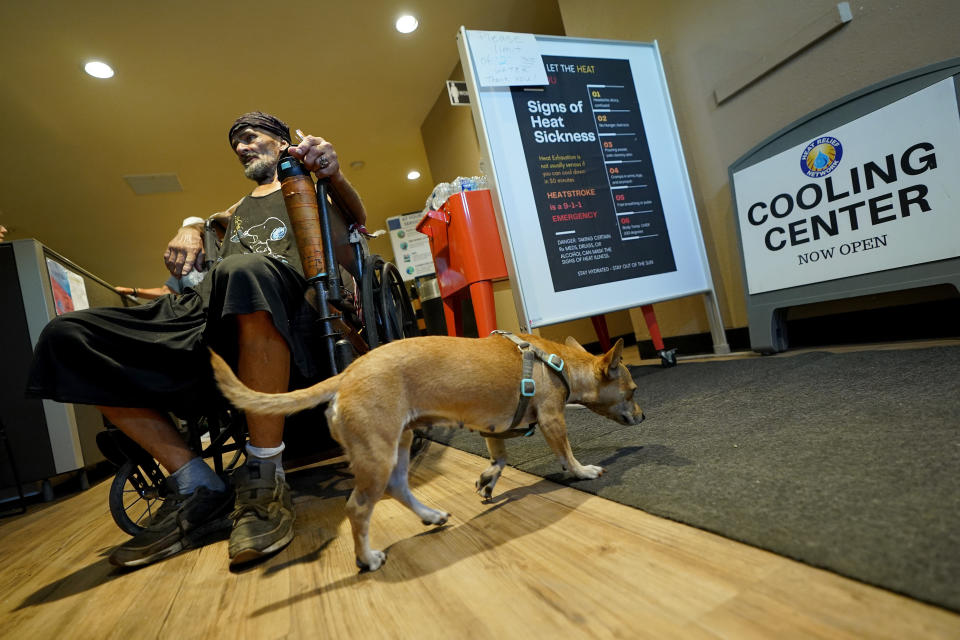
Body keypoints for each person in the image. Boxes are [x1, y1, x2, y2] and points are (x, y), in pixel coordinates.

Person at [26, 111, 367, 569]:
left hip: (283, 306)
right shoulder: (230, 214)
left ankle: (265, 472)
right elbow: (206, 231)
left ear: (284, 140)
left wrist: (333, 171)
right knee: (67, 336)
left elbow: (353, 224)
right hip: (205, 311)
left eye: (250, 136)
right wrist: (191, 224)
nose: (243, 147)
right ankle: (196, 484)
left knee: (242, 270)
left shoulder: (312, 183)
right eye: (236, 144)